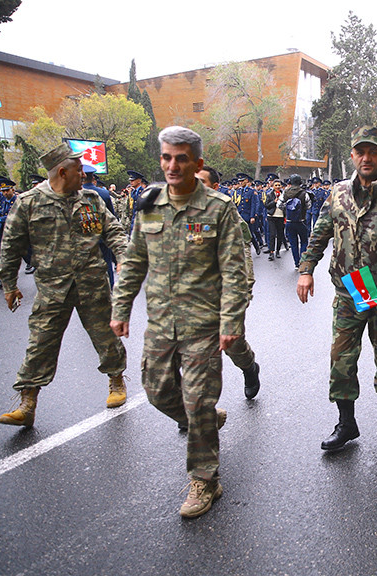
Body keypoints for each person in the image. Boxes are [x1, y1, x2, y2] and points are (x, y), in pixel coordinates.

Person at [111, 126, 247, 518]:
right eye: (167, 157)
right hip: (161, 321)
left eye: (181, 158)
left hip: (204, 323)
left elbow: (234, 272)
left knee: (198, 398)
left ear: (197, 163)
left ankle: (205, 480)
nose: (172, 165)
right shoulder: (149, 204)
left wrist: (230, 321)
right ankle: (204, 419)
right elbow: (135, 260)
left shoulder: (219, 208)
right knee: (156, 392)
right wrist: (120, 308)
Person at [296, 125, 377, 451]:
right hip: (349, 292)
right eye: (360, 152)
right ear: (352, 155)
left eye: (373, 152)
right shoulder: (337, 193)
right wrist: (306, 270)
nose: (366, 158)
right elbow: (320, 234)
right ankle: (346, 422)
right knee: (341, 359)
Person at [0, 142, 129, 428]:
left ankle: (116, 380)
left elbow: (114, 230)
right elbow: (11, 245)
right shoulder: (29, 202)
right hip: (52, 287)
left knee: (105, 336)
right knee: (40, 343)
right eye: (79, 170)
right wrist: (9, 283)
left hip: (92, 282)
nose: (83, 175)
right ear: (61, 172)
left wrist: (123, 257)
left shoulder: (91, 199)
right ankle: (27, 403)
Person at [197, 165, 261, 399]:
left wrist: (243, 294)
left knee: (234, 344)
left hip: (226, 290)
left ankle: (249, 367)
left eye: (201, 183)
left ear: (215, 187)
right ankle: (198, 409)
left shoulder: (226, 212)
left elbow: (243, 257)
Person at [82, 165, 117, 287]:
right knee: (107, 264)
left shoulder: (75, 194)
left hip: (84, 238)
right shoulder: (104, 193)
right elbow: (112, 216)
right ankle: (110, 288)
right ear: (93, 178)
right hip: (102, 235)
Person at [280, 173, 309, 269]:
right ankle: (302, 260)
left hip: (289, 221)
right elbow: (309, 205)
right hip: (301, 221)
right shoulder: (304, 193)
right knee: (304, 241)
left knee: (293, 243)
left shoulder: (285, 192)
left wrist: (287, 210)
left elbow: (279, 205)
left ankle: (296, 262)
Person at [264, 180, 285, 261]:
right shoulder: (269, 194)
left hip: (281, 216)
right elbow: (267, 205)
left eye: (279, 185)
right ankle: (271, 252)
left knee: (280, 235)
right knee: (272, 234)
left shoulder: (284, 194)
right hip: (272, 216)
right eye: (276, 185)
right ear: (273, 186)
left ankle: (278, 251)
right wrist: (274, 202)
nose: (277, 187)